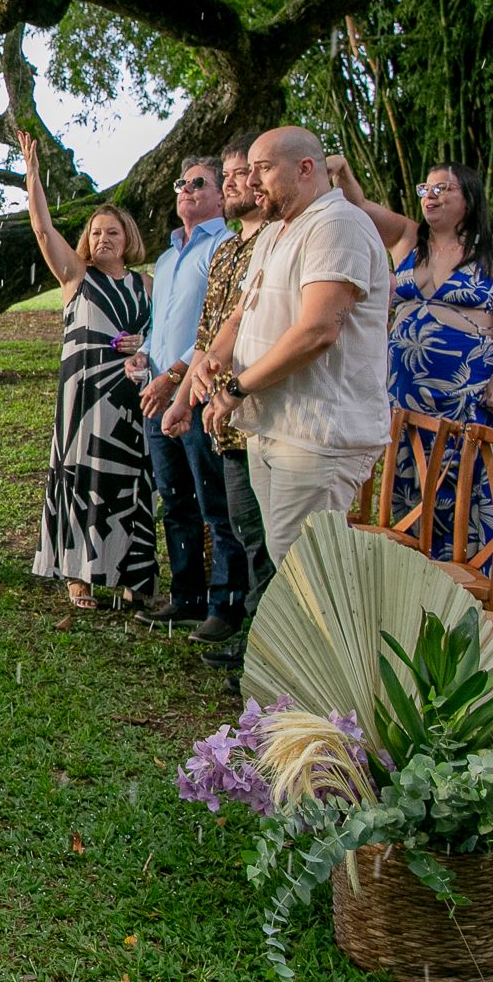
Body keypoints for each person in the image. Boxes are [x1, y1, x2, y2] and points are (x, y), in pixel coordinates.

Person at [197, 127, 391, 569]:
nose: (250, 182)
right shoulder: (274, 233)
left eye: (262, 169)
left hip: (318, 432)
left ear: (306, 169)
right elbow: (242, 313)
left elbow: (318, 330)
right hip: (273, 425)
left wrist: (236, 388)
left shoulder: (336, 224)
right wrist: (216, 357)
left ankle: (336, 642)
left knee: (307, 573)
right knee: (288, 565)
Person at [326, 157, 493, 560]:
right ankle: (416, 578)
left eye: (444, 188)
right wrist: (343, 172)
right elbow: (360, 206)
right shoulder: (408, 238)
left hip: (468, 398)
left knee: (466, 488)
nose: (431, 196)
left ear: (469, 199)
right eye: (426, 189)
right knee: (411, 486)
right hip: (406, 398)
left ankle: (472, 579)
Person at [15, 128, 157, 611]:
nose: (102, 239)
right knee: (83, 475)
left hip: (131, 395)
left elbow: (169, 334)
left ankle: (129, 574)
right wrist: (32, 176)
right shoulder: (75, 275)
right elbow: (41, 229)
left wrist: (149, 344)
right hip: (83, 398)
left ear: (128, 238)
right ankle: (79, 574)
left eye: (112, 232)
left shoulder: (147, 285)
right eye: (96, 232)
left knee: (130, 477)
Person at [162, 140, 276, 667]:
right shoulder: (230, 249)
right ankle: (249, 630)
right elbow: (211, 331)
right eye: (226, 175)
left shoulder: (274, 242)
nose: (234, 183)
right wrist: (187, 396)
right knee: (234, 518)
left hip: (262, 410)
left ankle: (256, 632)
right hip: (217, 407)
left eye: (238, 175)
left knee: (260, 531)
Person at [130, 156, 246, 637]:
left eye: (199, 183)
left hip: (202, 391)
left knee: (214, 501)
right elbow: (163, 323)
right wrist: (141, 354)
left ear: (222, 196)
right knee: (175, 500)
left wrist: (176, 376)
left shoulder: (227, 247)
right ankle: (186, 596)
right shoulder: (166, 255)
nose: (186, 190)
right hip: (157, 392)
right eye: (181, 183)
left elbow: (218, 328)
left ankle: (226, 605)